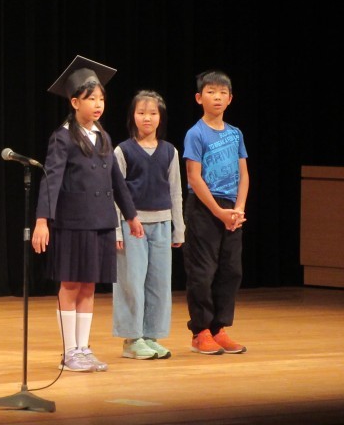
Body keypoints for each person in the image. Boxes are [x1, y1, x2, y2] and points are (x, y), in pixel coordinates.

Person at [32, 56, 144, 372]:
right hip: (73, 223)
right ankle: (69, 352)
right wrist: (42, 220)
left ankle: (83, 348)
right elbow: (51, 179)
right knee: (70, 284)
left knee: (90, 285)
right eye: (91, 98)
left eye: (101, 99)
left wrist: (131, 216)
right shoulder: (63, 137)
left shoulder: (104, 137)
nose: (97, 104)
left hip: (101, 222)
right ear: (74, 102)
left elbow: (116, 181)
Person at [112, 90, 185, 360]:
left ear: (160, 117)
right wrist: (117, 229)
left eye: (153, 113)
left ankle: (151, 336)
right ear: (133, 116)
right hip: (133, 225)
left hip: (162, 224)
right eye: (141, 112)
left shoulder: (169, 151)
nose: (147, 118)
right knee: (131, 282)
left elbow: (176, 191)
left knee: (159, 283)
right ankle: (132, 339)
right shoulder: (123, 150)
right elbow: (115, 193)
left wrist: (179, 227)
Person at [182, 70, 249, 355]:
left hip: (231, 209)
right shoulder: (196, 133)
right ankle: (201, 331)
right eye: (211, 92)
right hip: (204, 207)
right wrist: (219, 211)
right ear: (199, 98)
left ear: (230, 98)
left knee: (231, 270)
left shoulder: (235, 133)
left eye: (222, 93)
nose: (217, 97)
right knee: (203, 271)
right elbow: (194, 177)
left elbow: (244, 174)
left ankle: (219, 328)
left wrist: (238, 209)